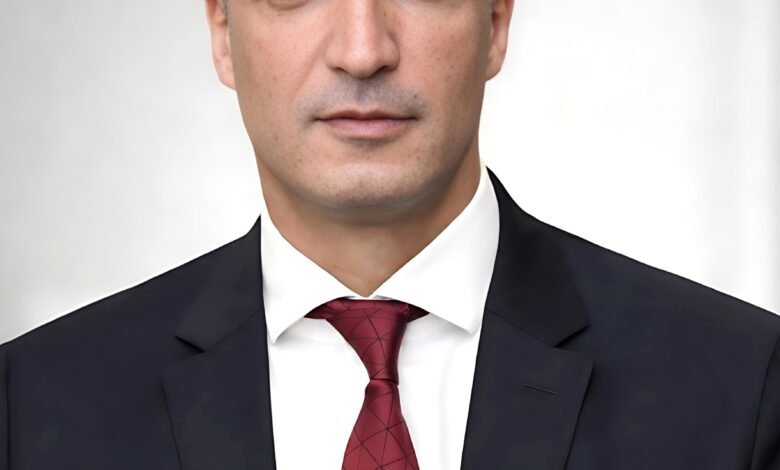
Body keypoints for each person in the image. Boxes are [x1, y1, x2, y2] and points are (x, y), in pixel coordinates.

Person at [1, 0, 778, 467]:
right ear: (223, 33)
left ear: (496, 23)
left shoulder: (739, 388)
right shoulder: (32, 406)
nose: (363, 50)